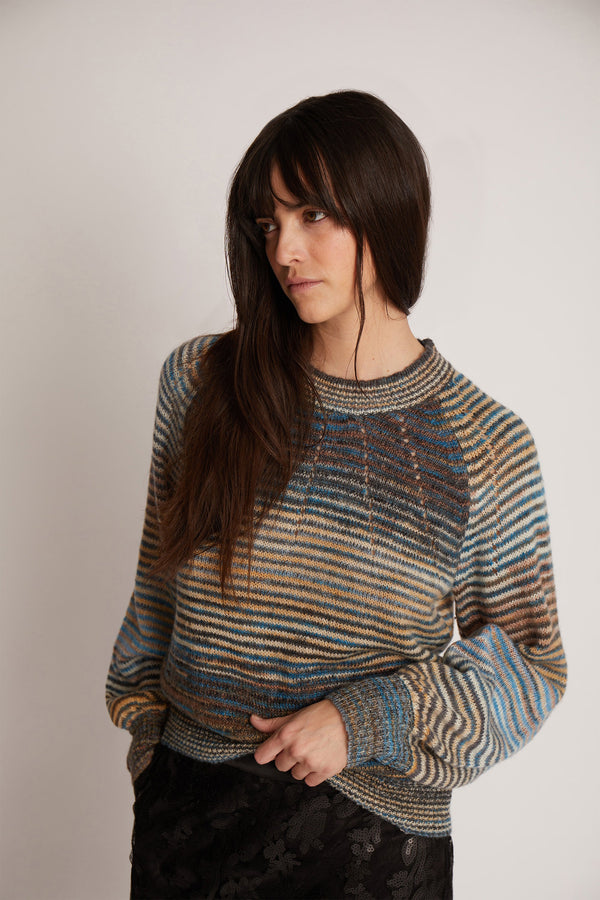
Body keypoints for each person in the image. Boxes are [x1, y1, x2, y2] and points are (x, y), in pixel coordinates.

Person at [106, 90, 567, 899]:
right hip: (189, 827)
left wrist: (366, 719)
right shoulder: (202, 384)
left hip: (367, 849)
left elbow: (532, 667)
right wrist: (149, 742)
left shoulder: (485, 443)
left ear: (386, 212)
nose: (285, 250)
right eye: (268, 223)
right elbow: (156, 590)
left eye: (313, 214)